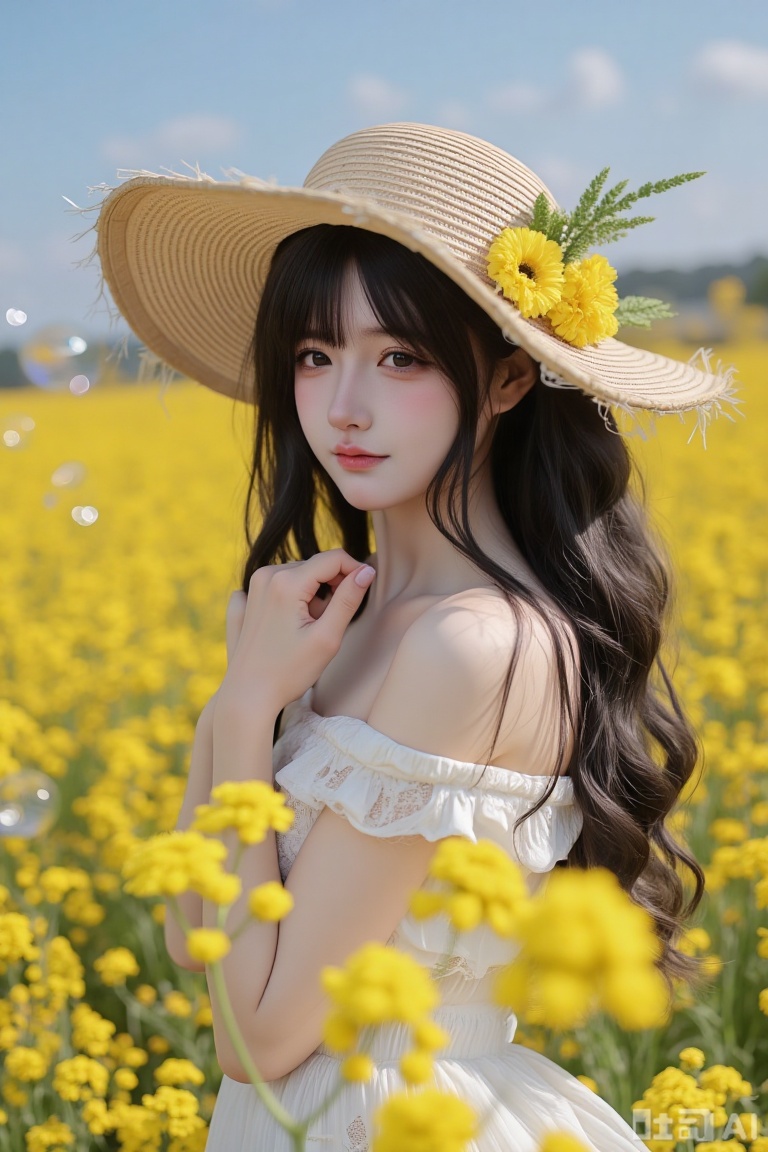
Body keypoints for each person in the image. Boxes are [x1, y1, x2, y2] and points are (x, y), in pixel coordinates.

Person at [87, 123, 738, 1151]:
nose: (343, 407)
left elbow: (258, 1033)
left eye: (400, 357)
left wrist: (249, 707)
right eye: (314, 354)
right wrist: (242, 694)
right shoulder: (319, 624)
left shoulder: (474, 648)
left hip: (390, 1117)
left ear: (512, 380)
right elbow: (191, 929)